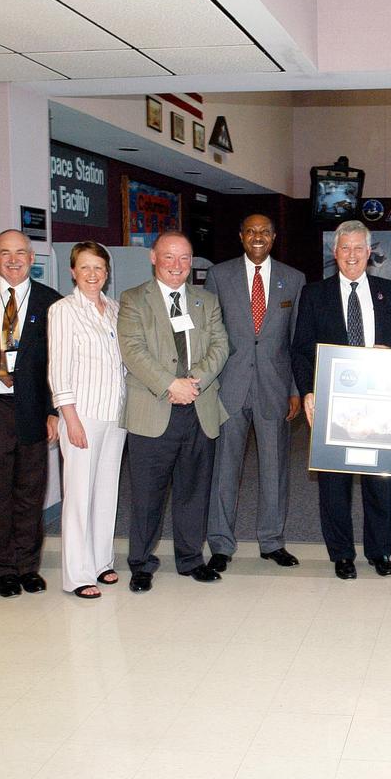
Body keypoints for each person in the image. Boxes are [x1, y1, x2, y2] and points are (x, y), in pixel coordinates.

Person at [292, 220, 391, 580]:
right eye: (344, 248)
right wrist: (307, 393)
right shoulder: (315, 294)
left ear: (370, 252)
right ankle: (342, 554)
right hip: (332, 405)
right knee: (334, 484)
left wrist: (388, 349)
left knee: (379, 481)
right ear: (335, 253)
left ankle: (380, 552)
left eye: (358, 248)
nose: (352, 255)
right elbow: (301, 351)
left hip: (379, 406)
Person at [118, 230, 229, 593]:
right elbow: (133, 351)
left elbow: (220, 345)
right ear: (154, 257)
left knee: (193, 491)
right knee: (147, 495)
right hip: (154, 409)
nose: (177, 266)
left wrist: (193, 381)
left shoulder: (205, 300)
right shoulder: (134, 300)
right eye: (169, 257)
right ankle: (141, 563)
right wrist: (171, 383)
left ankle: (190, 559)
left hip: (199, 409)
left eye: (184, 258)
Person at [0, 230, 62, 598]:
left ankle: (27, 565)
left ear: (32, 258)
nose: (14, 259)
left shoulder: (52, 302)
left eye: (21, 253)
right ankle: (2, 567)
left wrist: (53, 410)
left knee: (30, 490)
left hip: (32, 406)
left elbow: (57, 363)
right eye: (5, 253)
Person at [204, 214, 305, 572]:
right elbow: (210, 335)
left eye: (264, 232)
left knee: (275, 467)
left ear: (274, 237)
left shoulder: (294, 279)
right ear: (241, 236)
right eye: (251, 231)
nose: (257, 237)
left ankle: (272, 541)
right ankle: (220, 543)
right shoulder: (219, 276)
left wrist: (295, 389)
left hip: (275, 389)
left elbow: (296, 342)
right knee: (223, 469)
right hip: (228, 387)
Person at [48, 242, 126, 599]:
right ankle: (78, 574)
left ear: (107, 273)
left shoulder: (115, 309)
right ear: (73, 271)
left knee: (106, 493)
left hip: (115, 415)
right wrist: (70, 418)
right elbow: (59, 370)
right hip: (82, 415)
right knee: (78, 496)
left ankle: (100, 561)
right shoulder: (63, 310)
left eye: (99, 268)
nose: (92, 274)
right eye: (85, 268)